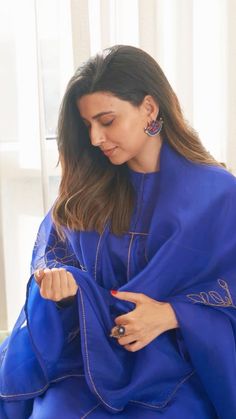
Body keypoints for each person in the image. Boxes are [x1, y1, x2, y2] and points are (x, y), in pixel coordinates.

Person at [0, 44, 235, 419]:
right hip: (88, 360)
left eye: (106, 121)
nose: (94, 138)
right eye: (87, 125)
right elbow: (55, 260)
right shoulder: (84, 193)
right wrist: (63, 287)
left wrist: (174, 314)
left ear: (149, 108)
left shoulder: (219, 195)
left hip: (178, 366)